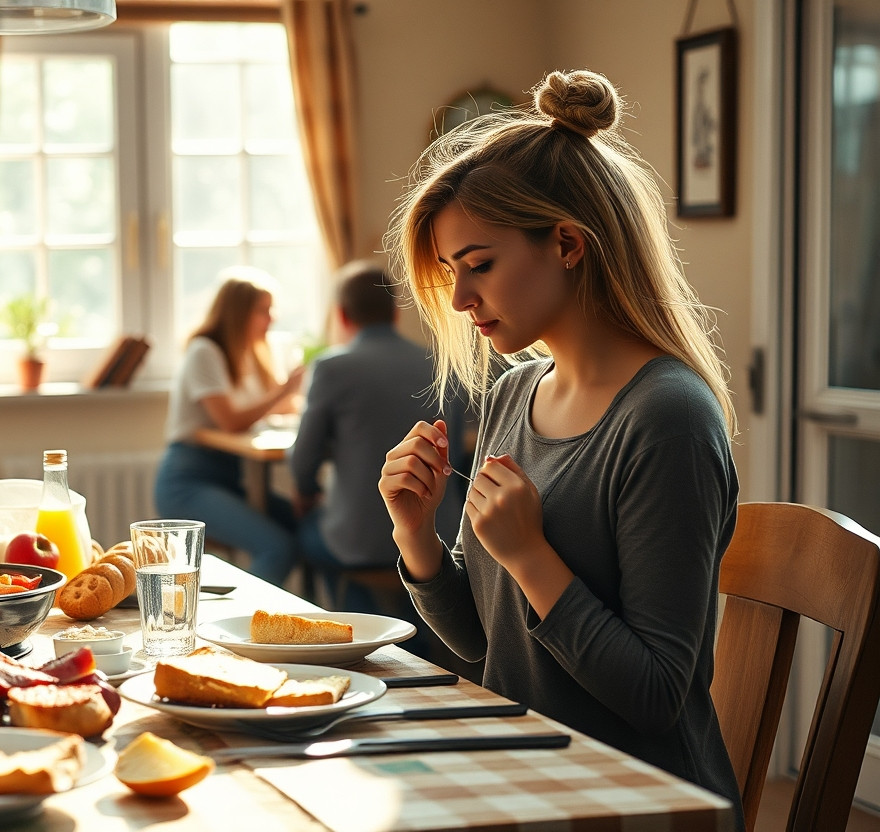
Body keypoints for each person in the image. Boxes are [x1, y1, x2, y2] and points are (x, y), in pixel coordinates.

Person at [378, 69, 743, 820]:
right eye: (450, 272)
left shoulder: (667, 417)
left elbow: (656, 697)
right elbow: (487, 650)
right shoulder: (517, 393)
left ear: (568, 244)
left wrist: (530, 555)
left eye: (479, 265)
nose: (459, 299)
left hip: (636, 806)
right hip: (527, 780)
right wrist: (416, 534)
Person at [289, 259, 468, 636]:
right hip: (440, 533)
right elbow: (458, 454)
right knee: (393, 558)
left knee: (306, 535)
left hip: (359, 539)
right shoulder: (440, 361)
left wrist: (307, 492)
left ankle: (361, 629)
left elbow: (302, 461)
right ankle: (412, 635)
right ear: (395, 309)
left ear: (341, 314)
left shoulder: (332, 368)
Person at [154, 267, 305, 585]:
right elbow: (232, 421)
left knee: (312, 528)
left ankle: (327, 618)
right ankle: (247, 627)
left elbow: (280, 408)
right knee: (277, 547)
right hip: (190, 482)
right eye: (264, 311)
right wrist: (285, 389)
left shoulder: (249, 354)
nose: (272, 318)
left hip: (235, 481)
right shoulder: (204, 352)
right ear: (240, 313)